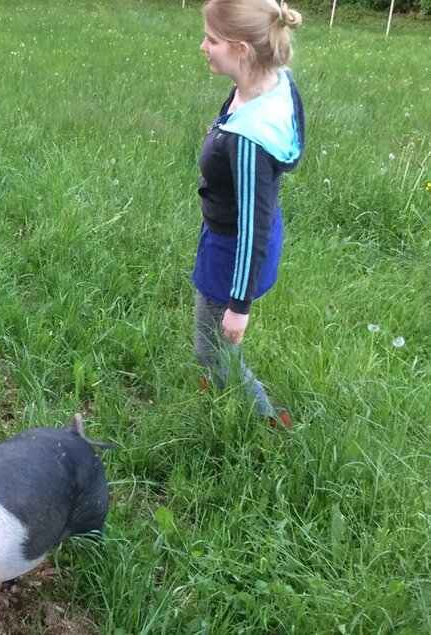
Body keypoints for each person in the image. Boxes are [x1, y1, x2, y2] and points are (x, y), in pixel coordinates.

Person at [193, 0, 304, 428]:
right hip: (239, 236)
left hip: (232, 252)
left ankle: (266, 422)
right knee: (216, 346)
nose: (203, 46)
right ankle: (220, 382)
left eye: (212, 40)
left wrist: (239, 305)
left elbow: (251, 229)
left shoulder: (248, 141)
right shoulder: (272, 82)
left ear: (241, 49)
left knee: (212, 344)